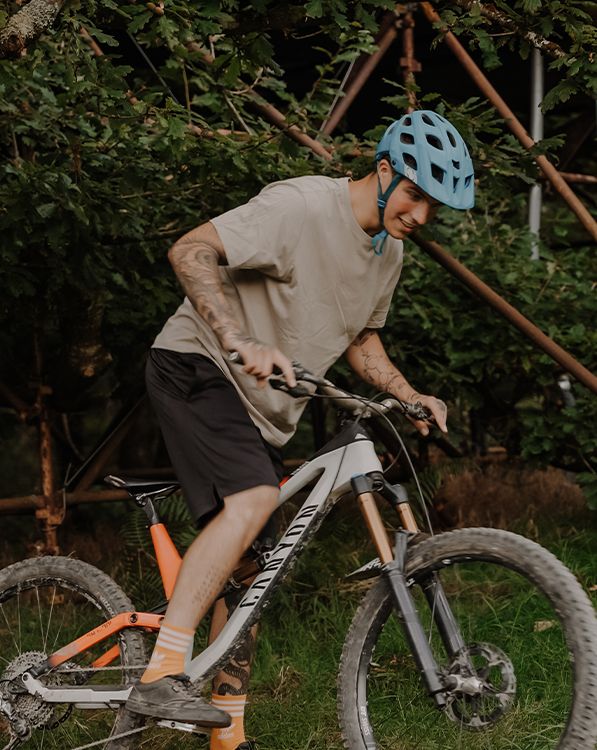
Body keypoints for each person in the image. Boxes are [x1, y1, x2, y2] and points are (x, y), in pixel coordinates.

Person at [126, 110, 475, 749]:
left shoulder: (387, 254)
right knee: (256, 500)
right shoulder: (302, 206)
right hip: (197, 363)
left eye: (435, 206)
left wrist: (407, 393)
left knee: (251, 568)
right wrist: (238, 339)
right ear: (382, 171)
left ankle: (228, 735)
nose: (422, 216)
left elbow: (361, 340)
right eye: (416, 195)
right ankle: (162, 672)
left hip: (259, 408)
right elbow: (190, 249)